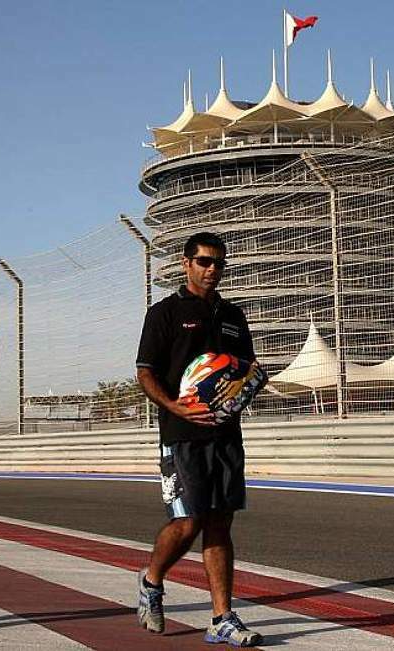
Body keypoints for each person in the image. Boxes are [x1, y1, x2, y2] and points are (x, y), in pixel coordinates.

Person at [134, 231, 262, 647]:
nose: (212, 270)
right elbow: (146, 372)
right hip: (181, 434)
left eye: (218, 263)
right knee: (188, 521)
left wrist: (248, 386)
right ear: (186, 263)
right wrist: (174, 406)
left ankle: (222, 618)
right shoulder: (164, 313)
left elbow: (248, 369)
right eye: (204, 262)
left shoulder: (233, 315)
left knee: (220, 522)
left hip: (225, 434)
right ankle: (152, 581)